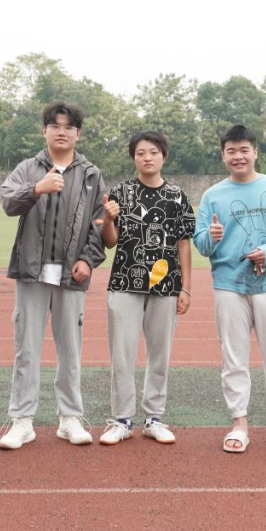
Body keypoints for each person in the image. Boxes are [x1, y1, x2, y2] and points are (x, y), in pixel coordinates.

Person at [0, 101, 106, 449]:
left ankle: (70, 417)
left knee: (70, 349)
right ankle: (22, 420)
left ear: (78, 133)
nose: (61, 131)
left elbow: (100, 221)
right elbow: (8, 203)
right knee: (26, 348)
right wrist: (37, 189)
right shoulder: (28, 168)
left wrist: (88, 259)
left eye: (68, 126)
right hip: (31, 271)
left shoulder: (91, 174)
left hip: (72, 275)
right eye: (55, 125)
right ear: (44, 130)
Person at [193, 124, 266, 453]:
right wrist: (211, 237)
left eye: (244, 150)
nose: (238, 156)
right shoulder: (213, 195)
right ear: (223, 155)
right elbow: (201, 244)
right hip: (229, 285)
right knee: (234, 356)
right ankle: (239, 423)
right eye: (231, 151)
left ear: (255, 152)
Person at [98, 131, 195, 446]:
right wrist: (108, 220)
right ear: (134, 157)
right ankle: (121, 420)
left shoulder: (178, 197)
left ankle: (154, 418)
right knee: (122, 354)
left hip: (166, 285)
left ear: (163, 156)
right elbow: (110, 242)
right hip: (125, 282)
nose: (147, 157)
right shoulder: (120, 193)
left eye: (153, 152)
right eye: (140, 153)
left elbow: (183, 244)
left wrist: (186, 288)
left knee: (159, 355)